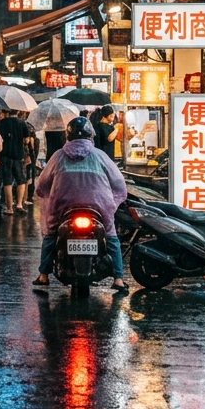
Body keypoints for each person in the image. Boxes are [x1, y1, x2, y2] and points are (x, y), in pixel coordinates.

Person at [33, 116, 128, 292]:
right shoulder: (100, 156)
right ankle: (119, 278)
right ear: (90, 136)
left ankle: (43, 275)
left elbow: (42, 186)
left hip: (62, 206)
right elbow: (119, 184)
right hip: (99, 206)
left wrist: (48, 195)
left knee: (51, 234)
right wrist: (112, 202)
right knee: (111, 236)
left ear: (67, 136)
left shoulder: (58, 156)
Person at [0, 109, 31, 214]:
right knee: (21, 180)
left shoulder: (1, 123)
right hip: (18, 155)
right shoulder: (22, 123)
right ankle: (19, 204)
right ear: (18, 112)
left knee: (7, 182)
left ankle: (9, 208)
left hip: (4, 155)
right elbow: (26, 140)